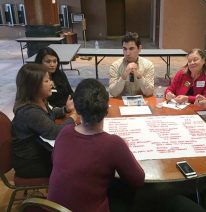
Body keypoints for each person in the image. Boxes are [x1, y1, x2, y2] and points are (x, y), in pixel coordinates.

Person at [48, 78, 145, 212]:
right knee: (133, 194)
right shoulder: (114, 144)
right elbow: (138, 180)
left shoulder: (64, 131)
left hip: (52, 209)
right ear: (106, 111)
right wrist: (124, 148)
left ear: (77, 110)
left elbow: (55, 160)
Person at [11, 63, 77, 178]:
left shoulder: (39, 100)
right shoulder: (29, 112)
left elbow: (48, 116)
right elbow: (54, 132)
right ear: (34, 86)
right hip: (30, 163)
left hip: (41, 151)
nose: (51, 83)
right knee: (77, 164)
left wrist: (65, 110)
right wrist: (73, 117)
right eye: (46, 81)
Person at [109, 32, 154, 97]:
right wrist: (124, 75)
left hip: (142, 104)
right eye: (124, 49)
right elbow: (113, 93)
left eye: (131, 49)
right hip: (121, 103)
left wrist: (139, 75)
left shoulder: (148, 65)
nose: (127, 53)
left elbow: (149, 92)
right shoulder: (115, 66)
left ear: (139, 48)